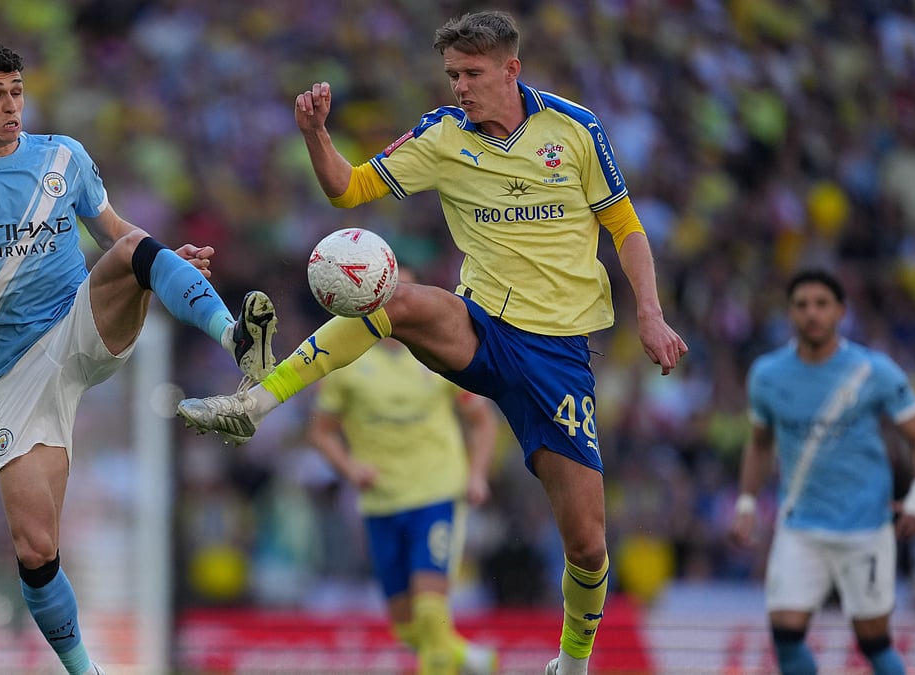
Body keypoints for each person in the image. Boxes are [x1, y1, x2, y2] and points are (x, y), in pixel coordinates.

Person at [176, 10, 687, 675]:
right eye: (452, 75)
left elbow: (626, 228)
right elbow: (348, 188)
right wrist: (315, 135)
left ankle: (573, 659)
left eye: (472, 74)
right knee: (395, 299)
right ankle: (256, 402)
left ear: (512, 69)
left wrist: (650, 311)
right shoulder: (441, 136)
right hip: (483, 325)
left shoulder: (577, 129)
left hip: (559, 351)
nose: (460, 88)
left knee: (588, 544)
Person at [0, 41, 278, 675]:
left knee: (138, 248)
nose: (10, 105)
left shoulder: (65, 156)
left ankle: (236, 340)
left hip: (80, 325)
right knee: (35, 549)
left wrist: (166, 264)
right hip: (15, 370)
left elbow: (119, 235)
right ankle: (85, 671)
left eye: (15, 90)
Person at [728, 268, 915, 675]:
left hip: (865, 526)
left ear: (841, 312)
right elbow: (761, 443)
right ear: (789, 314)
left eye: (821, 304)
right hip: (800, 526)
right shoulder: (767, 375)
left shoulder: (874, 371)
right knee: (785, 632)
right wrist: (746, 503)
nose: (811, 314)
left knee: (873, 640)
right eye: (801, 305)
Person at [306, 267, 500, 675]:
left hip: (437, 492)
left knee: (431, 613)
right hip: (381, 501)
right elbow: (322, 433)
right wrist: (350, 467)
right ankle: (469, 658)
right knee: (406, 628)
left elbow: (483, 422)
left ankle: (453, 659)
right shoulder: (348, 361)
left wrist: (477, 474)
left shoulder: (439, 355)